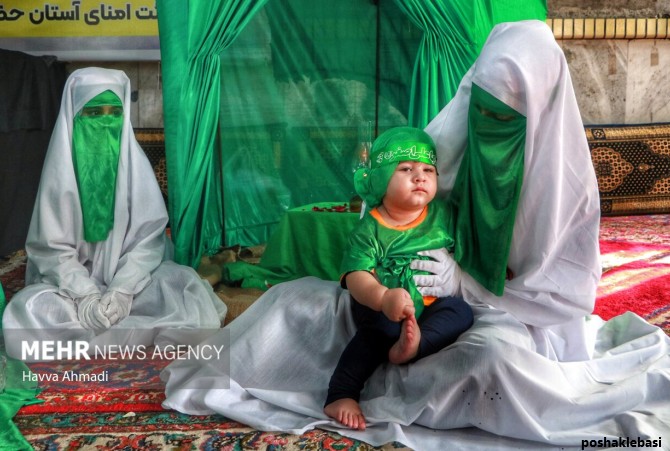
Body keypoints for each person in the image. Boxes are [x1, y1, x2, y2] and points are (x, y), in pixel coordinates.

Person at [160, 20, 670, 449]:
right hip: (398, 293)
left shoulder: (569, 190)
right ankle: (353, 378)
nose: (496, 126)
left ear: (545, 104)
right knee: (290, 310)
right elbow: (384, 210)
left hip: (515, 319)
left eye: (513, 113)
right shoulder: (440, 146)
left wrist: (463, 282)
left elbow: (562, 293)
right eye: (488, 109)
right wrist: (394, 276)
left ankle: (402, 359)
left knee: (492, 363)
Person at [2, 68, 226, 359]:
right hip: (70, 290)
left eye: (114, 113)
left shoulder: (135, 168)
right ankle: (119, 330)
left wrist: (122, 290)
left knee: (185, 289)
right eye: (94, 114)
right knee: (27, 311)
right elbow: (51, 250)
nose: (106, 122)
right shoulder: (59, 174)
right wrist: (85, 295)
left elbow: (149, 241)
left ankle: (98, 331)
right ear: (74, 117)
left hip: (131, 284)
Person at [324, 127, 473, 429]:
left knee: (460, 311)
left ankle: (415, 345)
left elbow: (468, 248)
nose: (420, 176)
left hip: (430, 302)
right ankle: (341, 394)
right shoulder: (370, 229)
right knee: (379, 330)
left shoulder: (443, 215)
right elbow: (355, 276)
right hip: (385, 304)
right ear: (380, 179)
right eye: (405, 169)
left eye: (428, 170)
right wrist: (382, 297)